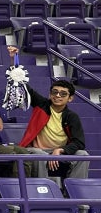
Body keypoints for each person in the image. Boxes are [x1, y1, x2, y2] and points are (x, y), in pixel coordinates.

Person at [7, 46, 90, 180]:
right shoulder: (42, 104)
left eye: (63, 94)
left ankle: (75, 192)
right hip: (36, 150)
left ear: (70, 98)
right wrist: (13, 59)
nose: (58, 96)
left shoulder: (71, 116)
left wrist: (60, 150)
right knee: (41, 155)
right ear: (50, 94)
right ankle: (44, 190)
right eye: (54, 92)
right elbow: (21, 83)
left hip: (59, 151)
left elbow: (79, 143)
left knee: (83, 154)